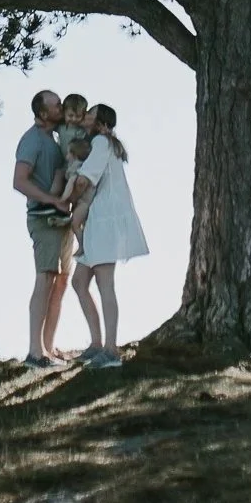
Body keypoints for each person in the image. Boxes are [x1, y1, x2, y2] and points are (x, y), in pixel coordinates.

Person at [68, 103, 148, 368]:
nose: (85, 118)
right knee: (80, 282)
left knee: (105, 284)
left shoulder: (102, 142)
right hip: (96, 221)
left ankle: (111, 350)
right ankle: (96, 344)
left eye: (90, 115)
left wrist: (67, 199)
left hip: (105, 220)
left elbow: (84, 180)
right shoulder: (99, 144)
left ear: (101, 123)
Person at [12, 88, 74, 366]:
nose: (60, 107)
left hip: (63, 220)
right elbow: (19, 181)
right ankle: (35, 352)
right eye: (56, 105)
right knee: (45, 278)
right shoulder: (32, 140)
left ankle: (48, 347)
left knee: (61, 281)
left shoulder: (57, 137)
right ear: (42, 113)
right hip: (43, 217)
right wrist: (52, 200)